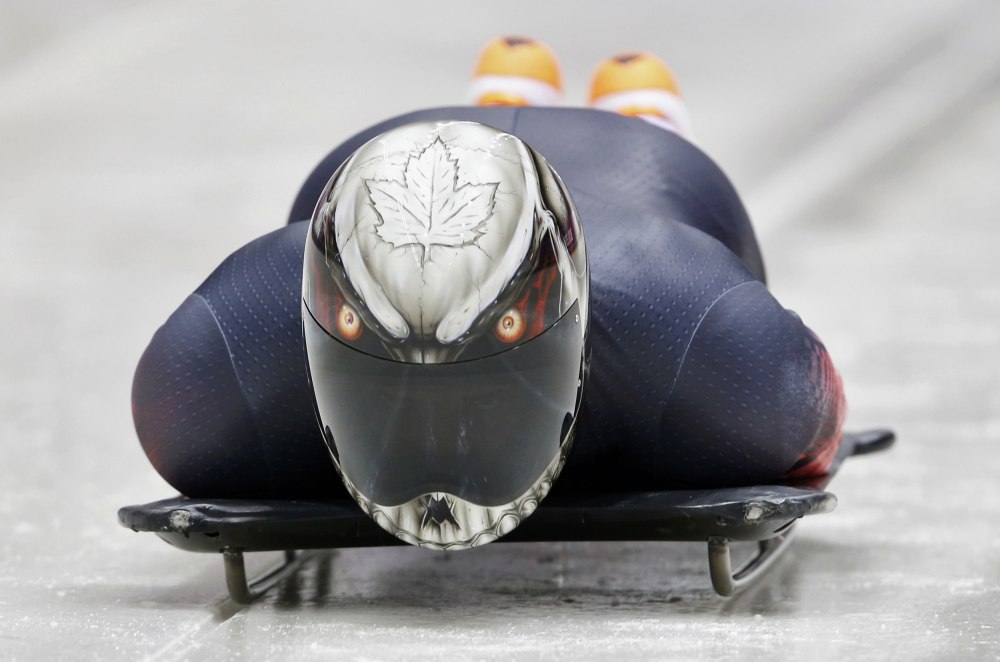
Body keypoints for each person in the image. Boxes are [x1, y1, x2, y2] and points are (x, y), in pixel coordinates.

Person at [131, 37, 845, 548]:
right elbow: (816, 433)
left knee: (645, 153)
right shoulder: (204, 375)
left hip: (643, 172)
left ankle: (623, 119)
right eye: (384, 374)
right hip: (401, 163)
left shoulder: (705, 333)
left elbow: (809, 416)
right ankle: (597, 101)